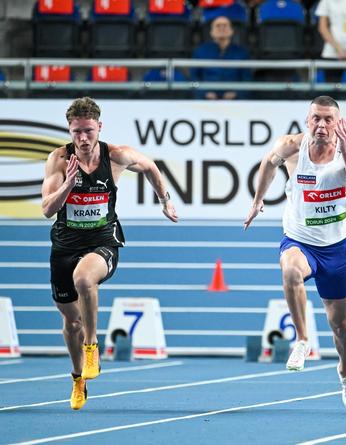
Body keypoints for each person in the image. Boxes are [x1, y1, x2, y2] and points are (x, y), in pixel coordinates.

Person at [41, 97, 178, 410]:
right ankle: (78, 378)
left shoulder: (116, 156)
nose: (83, 138)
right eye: (77, 132)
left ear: (99, 128)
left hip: (103, 240)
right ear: (70, 130)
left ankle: (93, 347)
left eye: (89, 131)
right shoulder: (58, 160)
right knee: (70, 322)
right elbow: (48, 209)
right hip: (64, 245)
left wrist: (165, 200)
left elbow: (151, 167)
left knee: (85, 279)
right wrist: (67, 185)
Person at [243, 96, 346, 410]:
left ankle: (345, 371)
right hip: (299, 240)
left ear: (339, 123)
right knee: (290, 271)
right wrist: (258, 199)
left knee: (342, 327)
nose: (322, 126)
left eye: (329, 119)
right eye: (317, 119)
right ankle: (301, 339)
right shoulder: (291, 147)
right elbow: (267, 164)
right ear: (307, 120)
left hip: (337, 250)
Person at [190, 15, 251, 100]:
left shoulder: (242, 53)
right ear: (211, 32)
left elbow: (247, 80)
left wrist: (236, 93)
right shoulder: (200, 52)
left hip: (235, 102)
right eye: (218, 26)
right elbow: (193, 80)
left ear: (231, 31)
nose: (221, 28)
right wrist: (203, 92)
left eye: (225, 25)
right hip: (205, 101)